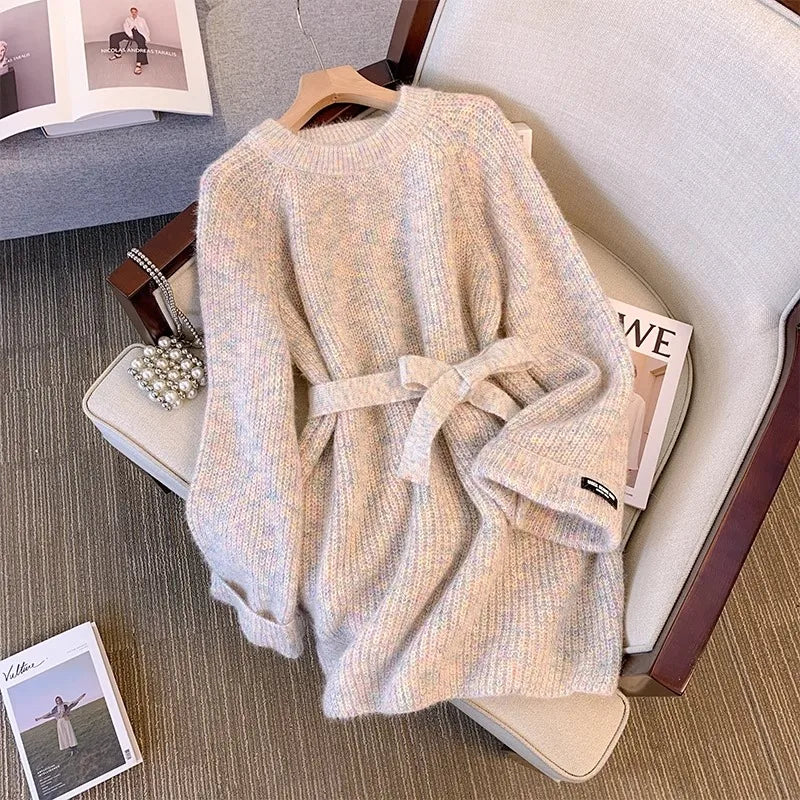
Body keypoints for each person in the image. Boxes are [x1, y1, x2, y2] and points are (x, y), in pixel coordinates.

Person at [108, 7, 150, 76]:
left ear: (137, 12)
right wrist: (130, 35)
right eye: (132, 12)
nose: (134, 13)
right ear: (131, 12)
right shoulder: (128, 19)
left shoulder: (142, 20)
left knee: (142, 45)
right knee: (113, 36)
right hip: (130, 33)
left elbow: (146, 28)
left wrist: (146, 36)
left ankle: (138, 64)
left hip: (139, 34)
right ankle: (118, 53)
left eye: (135, 12)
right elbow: (126, 27)